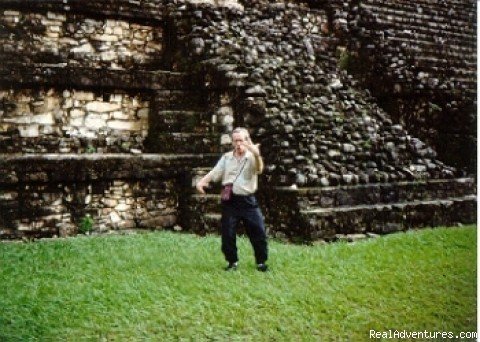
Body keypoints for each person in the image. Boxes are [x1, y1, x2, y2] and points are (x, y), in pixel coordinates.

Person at [196, 127, 269, 272]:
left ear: (247, 140)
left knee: (258, 231)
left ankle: (261, 262)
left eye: (241, 140)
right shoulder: (227, 157)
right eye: (235, 141)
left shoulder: (252, 156)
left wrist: (257, 155)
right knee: (228, 233)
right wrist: (202, 181)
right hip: (230, 201)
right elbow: (216, 171)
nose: (238, 143)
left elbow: (259, 169)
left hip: (248, 201)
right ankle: (232, 262)